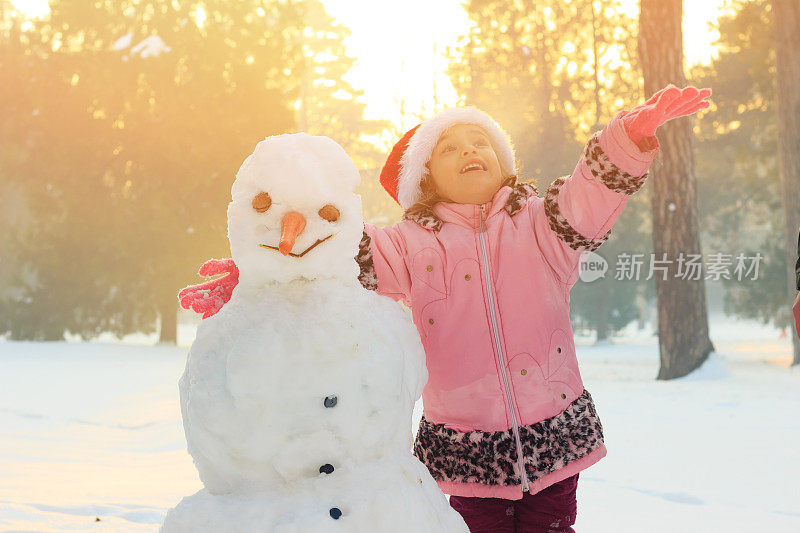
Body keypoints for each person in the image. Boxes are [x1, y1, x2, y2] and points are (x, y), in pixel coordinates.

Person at [178, 84, 711, 532]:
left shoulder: (544, 225)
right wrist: (262, 276)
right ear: (426, 174)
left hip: (552, 444)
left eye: (480, 140)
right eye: (450, 147)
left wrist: (629, 137)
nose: (469, 149)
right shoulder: (407, 244)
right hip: (462, 456)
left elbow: (592, 190)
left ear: (502, 162)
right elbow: (329, 250)